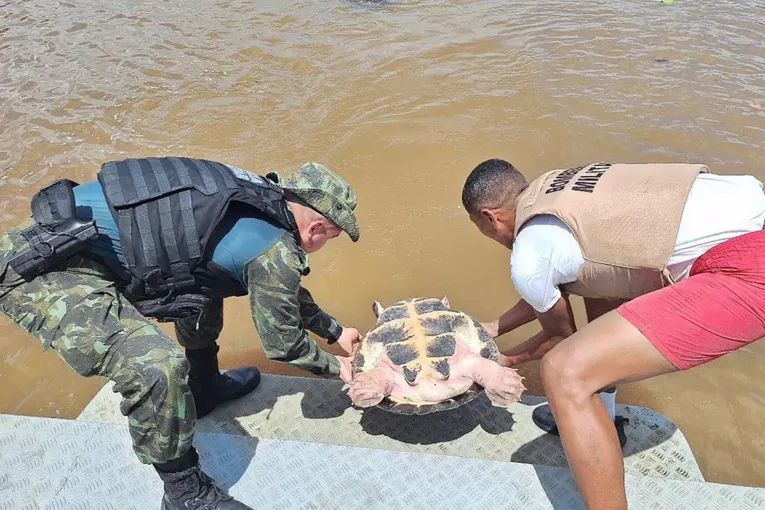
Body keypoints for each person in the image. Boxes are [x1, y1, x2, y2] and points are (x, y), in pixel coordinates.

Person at [0, 157, 362, 510]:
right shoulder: (273, 251)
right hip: (41, 275)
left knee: (205, 281)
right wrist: (337, 368)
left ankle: (204, 386)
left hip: (66, 243)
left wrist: (335, 330)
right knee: (158, 368)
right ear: (316, 229)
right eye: (333, 235)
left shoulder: (248, 200)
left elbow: (280, 292)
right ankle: (184, 492)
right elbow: (284, 345)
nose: (326, 242)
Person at [462, 158, 765, 510]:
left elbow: (559, 337)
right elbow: (557, 276)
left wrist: (503, 359)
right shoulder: (556, 185)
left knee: (565, 372)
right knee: (600, 304)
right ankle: (606, 422)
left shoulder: (528, 253)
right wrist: (494, 328)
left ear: (489, 216)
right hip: (752, 203)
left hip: (748, 261)